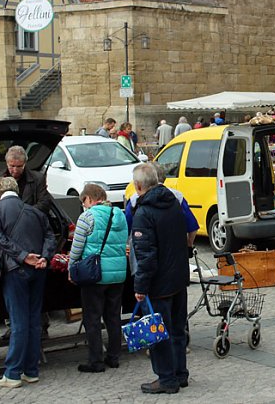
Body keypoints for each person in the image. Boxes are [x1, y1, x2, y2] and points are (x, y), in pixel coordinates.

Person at [0, 176, 55, 388]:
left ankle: (13, 373)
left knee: (18, 322)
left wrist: (23, 256)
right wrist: (44, 256)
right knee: (34, 320)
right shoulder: (35, 211)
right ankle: (31, 370)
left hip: (16, 269)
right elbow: (50, 236)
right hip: (38, 269)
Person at [131, 163, 190, 394]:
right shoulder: (173, 203)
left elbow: (146, 257)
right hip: (177, 279)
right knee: (176, 330)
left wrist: (140, 287)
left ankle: (166, 379)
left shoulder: (144, 212)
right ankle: (179, 374)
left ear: (138, 186)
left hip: (159, 285)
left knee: (158, 334)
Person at [69, 184, 128, 373]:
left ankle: (96, 360)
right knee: (113, 316)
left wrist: (71, 267)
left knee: (92, 318)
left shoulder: (87, 217)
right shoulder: (120, 214)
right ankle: (114, 356)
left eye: (83, 202)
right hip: (118, 274)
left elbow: (77, 247)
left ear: (88, 198)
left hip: (95, 274)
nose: (84, 206)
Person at [0, 145, 52, 225]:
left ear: (24, 164)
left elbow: (45, 204)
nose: (15, 170)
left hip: (29, 225)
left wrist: (23, 216)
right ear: (7, 163)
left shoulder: (38, 179)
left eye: (19, 166)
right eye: (12, 166)